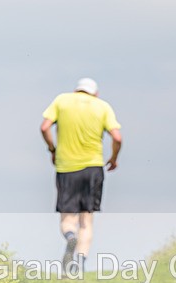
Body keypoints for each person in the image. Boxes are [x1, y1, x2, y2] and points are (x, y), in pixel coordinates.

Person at [41, 77, 122, 273]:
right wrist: (113, 158)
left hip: (66, 167)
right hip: (93, 168)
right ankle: (80, 261)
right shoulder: (102, 106)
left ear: (76, 90)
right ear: (95, 93)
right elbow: (117, 137)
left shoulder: (62, 101)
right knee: (86, 221)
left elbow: (44, 127)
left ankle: (70, 237)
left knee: (68, 219)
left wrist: (52, 149)